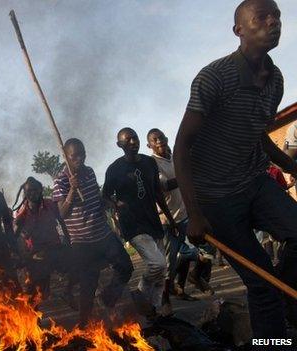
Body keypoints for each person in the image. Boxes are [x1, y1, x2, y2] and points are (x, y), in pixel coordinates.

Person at [173, 0, 296, 338]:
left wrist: (291, 164)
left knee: (284, 263)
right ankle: (273, 341)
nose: (274, 22)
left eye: (278, 16)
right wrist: (194, 214)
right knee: (261, 285)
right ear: (239, 29)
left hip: (255, 183)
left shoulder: (276, 80)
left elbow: (259, 134)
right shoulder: (214, 77)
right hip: (216, 200)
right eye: (262, 17)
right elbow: (181, 147)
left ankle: (287, 300)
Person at [53, 138, 133, 325]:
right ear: (65, 156)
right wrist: (72, 190)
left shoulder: (89, 173)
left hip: (103, 234)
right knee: (88, 285)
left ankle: (107, 298)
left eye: (82, 154)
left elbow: (97, 200)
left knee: (126, 266)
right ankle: (83, 325)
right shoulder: (61, 181)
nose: (80, 159)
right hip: (81, 242)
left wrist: (113, 204)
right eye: (75, 156)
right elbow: (62, 214)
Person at [103, 128, 177, 316]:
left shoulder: (149, 162)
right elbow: (104, 196)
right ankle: (140, 292)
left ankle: (153, 312)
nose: (132, 142)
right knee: (157, 264)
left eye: (134, 137)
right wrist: (115, 204)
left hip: (152, 221)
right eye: (127, 140)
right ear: (120, 145)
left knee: (162, 273)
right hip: (133, 225)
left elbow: (157, 193)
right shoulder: (114, 169)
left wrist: (170, 219)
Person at [147, 129, 198, 301]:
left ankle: (181, 289)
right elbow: (164, 186)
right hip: (167, 221)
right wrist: (186, 176)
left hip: (184, 214)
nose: (159, 141)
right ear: (150, 145)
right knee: (169, 263)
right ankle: (164, 300)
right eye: (155, 140)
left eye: (161, 138)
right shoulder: (153, 163)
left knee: (191, 255)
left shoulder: (175, 157)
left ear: (167, 139)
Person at [12, 177, 72, 299]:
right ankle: (32, 314)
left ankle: (68, 293)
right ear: (25, 193)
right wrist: (20, 256)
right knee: (36, 293)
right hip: (36, 255)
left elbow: (62, 221)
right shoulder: (22, 214)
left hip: (55, 249)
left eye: (36, 190)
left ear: (41, 190)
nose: (33, 193)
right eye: (29, 191)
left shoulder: (50, 205)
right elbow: (14, 237)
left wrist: (69, 240)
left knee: (79, 265)